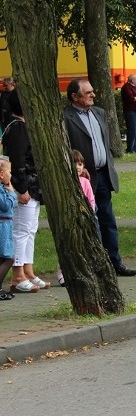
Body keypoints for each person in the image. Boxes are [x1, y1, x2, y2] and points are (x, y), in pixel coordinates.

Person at [64, 80, 136, 276]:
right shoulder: (66, 117)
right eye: (87, 92)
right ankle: (95, 266)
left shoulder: (99, 113)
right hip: (84, 177)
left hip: (104, 174)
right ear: (74, 97)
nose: (93, 95)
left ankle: (115, 263)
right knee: (89, 222)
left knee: (108, 220)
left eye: (92, 91)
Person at [4, 90, 51, 292]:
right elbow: (18, 162)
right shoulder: (18, 129)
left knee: (30, 229)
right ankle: (17, 274)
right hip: (25, 187)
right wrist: (21, 189)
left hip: (33, 186)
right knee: (21, 231)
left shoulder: (23, 127)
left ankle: (28, 270)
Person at [56, 150, 99, 287]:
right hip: (69, 219)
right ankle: (62, 272)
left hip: (84, 219)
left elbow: (91, 200)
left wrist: (88, 214)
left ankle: (83, 271)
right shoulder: (65, 182)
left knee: (84, 246)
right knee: (68, 245)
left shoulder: (85, 182)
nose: (78, 167)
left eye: (80, 164)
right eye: (75, 163)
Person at [0, 157, 17, 300]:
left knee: (3, 257)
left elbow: (13, 205)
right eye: (9, 172)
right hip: (2, 226)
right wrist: (11, 193)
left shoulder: (2, 188)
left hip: (6, 224)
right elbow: (6, 206)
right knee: (9, 258)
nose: (11, 175)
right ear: (1, 174)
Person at [121, 74, 136, 153]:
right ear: (132, 80)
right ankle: (130, 148)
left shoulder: (135, 87)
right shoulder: (126, 87)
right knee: (132, 130)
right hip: (131, 112)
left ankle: (135, 147)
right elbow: (131, 98)